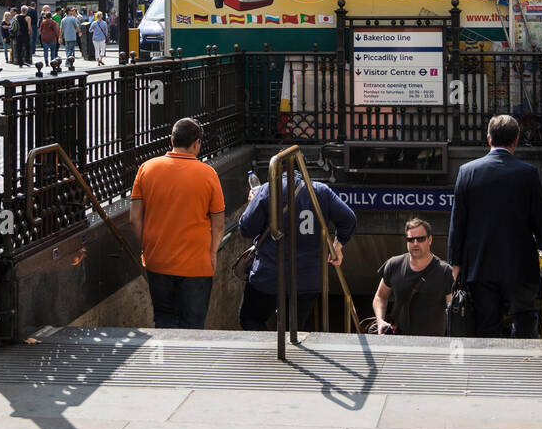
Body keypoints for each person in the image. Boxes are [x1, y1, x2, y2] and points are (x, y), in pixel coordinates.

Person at [447, 114, 542, 339]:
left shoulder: (467, 171)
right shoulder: (528, 173)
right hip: (520, 263)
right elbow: (541, 216)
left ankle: (490, 368)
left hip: (479, 263)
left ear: (488, 139)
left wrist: (455, 262)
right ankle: (524, 366)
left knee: (486, 323)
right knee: (524, 318)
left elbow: (458, 222)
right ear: (516, 140)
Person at [130, 117, 225, 329]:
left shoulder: (146, 169)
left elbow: (134, 219)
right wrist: (212, 252)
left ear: (172, 140)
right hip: (197, 265)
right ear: (197, 143)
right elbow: (218, 224)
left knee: (164, 320)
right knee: (193, 325)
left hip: (158, 261)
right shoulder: (208, 174)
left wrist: (147, 246)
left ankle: (167, 360)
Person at [237, 170, 356, 331]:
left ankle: (271, 351)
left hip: (270, 275)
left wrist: (253, 203)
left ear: (278, 169)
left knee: (250, 317)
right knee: (293, 329)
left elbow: (246, 228)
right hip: (308, 278)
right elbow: (349, 219)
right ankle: (287, 350)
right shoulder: (321, 191)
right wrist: (337, 247)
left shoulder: (268, 189)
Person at [372, 217, 454, 336]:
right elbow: (380, 296)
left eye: (420, 239)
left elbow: (452, 310)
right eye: (411, 239)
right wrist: (380, 321)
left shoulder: (445, 271)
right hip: (398, 341)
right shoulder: (394, 265)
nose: (415, 243)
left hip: (432, 346)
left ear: (429, 240)